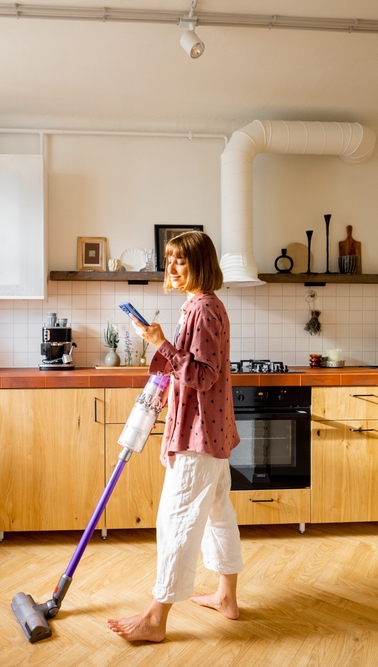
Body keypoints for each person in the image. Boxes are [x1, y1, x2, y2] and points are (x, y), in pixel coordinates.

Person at [107, 231, 242, 643]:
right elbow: (191, 372)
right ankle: (225, 596)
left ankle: (155, 618)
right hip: (210, 432)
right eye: (169, 261)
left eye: (179, 261)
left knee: (176, 520)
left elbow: (203, 375)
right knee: (218, 514)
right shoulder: (200, 307)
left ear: (199, 263)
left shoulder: (202, 310)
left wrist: (161, 342)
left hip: (199, 435)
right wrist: (162, 349)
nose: (171, 269)